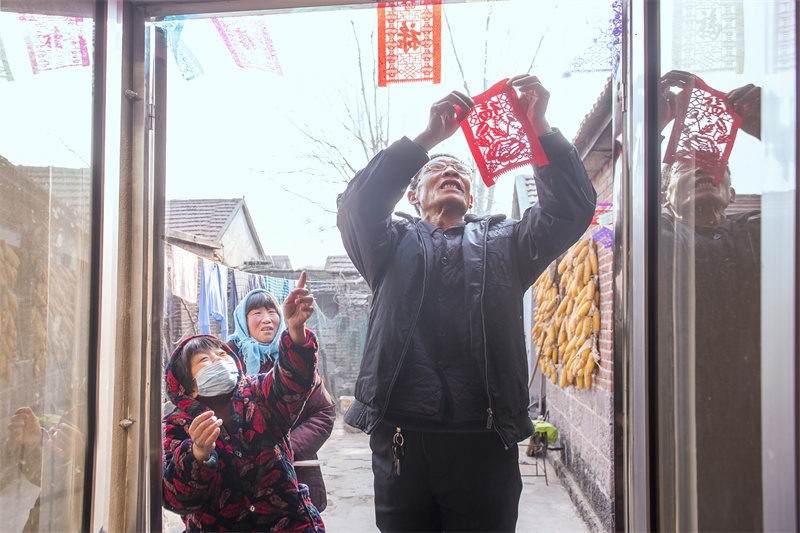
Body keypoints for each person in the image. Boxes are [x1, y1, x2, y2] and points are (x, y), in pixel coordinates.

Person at [337, 75, 596, 532]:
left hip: (484, 435)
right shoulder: (387, 243)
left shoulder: (507, 241)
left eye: (460, 172)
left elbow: (569, 211)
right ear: (413, 196)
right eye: (437, 169)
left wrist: (540, 130)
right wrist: (427, 140)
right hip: (402, 434)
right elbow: (357, 207)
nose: (451, 172)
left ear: (472, 197)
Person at [657, 71, 762, 532]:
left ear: (731, 193)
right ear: (663, 196)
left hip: (760, 421)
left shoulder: (759, 234)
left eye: (713, 164)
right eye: (686, 165)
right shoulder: (654, 238)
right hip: (679, 425)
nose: (702, 168)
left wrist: (774, 128)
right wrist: (647, 128)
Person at [161, 272, 325, 532]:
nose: (218, 361)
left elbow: (292, 383)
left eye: (222, 355)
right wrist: (197, 454)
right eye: (205, 360)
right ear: (186, 387)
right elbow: (176, 499)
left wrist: (295, 330)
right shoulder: (176, 426)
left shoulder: (257, 392)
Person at [226, 288, 336, 512]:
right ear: (242, 320)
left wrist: (284, 449)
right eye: (256, 313)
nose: (266, 319)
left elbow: (323, 413)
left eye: (272, 311)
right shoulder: (227, 362)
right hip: (241, 477)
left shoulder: (296, 356)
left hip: (295, 471)